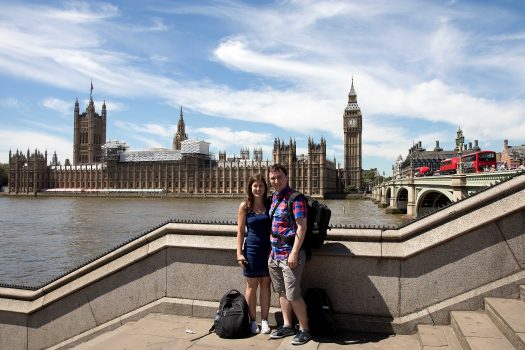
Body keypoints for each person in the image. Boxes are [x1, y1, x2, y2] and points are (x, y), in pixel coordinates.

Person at [267, 164, 312, 345]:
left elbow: (302, 226)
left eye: (279, 177)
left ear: (286, 177)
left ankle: (305, 329)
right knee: (282, 292)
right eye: (272, 178)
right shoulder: (274, 197)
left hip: (289, 254)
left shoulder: (295, 198)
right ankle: (287, 325)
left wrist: (294, 252)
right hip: (274, 254)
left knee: (293, 294)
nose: (276, 181)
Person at [236, 174, 272, 334]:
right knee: (252, 285)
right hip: (251, 249)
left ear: (265, 188)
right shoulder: (245, 206)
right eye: (255, 186)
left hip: (269, 250)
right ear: (250, 188)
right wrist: (239, 253)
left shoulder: (271, 204)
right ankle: (252, 321)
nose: (258, 189)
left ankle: (264, 320)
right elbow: (240, 231)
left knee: (266, 284)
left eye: (261, 186)